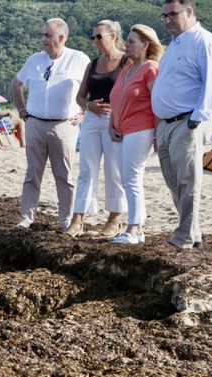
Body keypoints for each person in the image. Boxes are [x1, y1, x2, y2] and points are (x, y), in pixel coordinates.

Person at [151, 0, 212, 249]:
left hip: (187, 121)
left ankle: (184, 236)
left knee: (187, 181)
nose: (167, 20)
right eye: (164, 16)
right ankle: (192, 233)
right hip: (167, 123)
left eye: (172, 14)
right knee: (174, 180)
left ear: (189, 11)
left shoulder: (205, 41)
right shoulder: (174, 45)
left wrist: (197, 118)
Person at [12, 18, 91, 231]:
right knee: (32, 174)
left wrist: (84, 112)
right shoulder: (34, 60)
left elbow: (91, 87)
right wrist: (21, 110)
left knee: (64, 175)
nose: (43, 39)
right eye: (43, 35)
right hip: (35, 122)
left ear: (61, 38)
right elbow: (16, 83)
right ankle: (26, 218)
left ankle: (66, 221)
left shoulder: (79, 59)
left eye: (47, 35)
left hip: (64, 125)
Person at [66, 20, 129, 238]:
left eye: (99, 36)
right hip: (92, 118)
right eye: (93, 37)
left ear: (113, 36)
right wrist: (87, 106)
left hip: (115, 116)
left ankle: (114, 218)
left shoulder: (126, 62)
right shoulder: (92, 64)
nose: (95, 41)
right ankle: (78, 219)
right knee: (86, 170)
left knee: (114, 170)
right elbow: (80, 96)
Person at [108, 25, 163, 245]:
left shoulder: (151, 68)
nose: (126, 44)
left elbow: (157, 102)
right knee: (127, 179)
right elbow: (116, 99)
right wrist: (112, 124)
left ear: (145, 44)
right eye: (127, 40)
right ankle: (136, 229)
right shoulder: (127, 68)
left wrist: (158, 135)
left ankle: (134, 229)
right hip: (122, 130)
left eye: (131, 41)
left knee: (132, 179)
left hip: (141, 129)